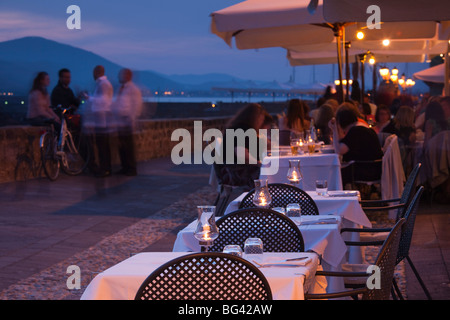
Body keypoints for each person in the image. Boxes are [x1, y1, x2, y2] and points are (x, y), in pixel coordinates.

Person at [329, 106, 383, 187]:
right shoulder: (361, 129)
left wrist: (335, 129)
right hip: (374, 169)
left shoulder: (356, 131)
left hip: (366, 170)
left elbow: (339, 150)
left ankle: (336, 197)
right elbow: (342, 143)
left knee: (333, 173)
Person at [217, 103, 267, 190]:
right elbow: (242, 155)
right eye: (261, 119)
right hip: (236, 173)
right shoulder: (242, 130)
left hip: (229, 171)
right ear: (256, 118)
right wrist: (261, 164)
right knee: (271, 172)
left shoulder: (237, 128)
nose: (261, 122)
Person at [82, 65, 114, 177]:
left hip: (102, 120)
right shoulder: (103, 84)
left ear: (96, 72)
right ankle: (106, 168)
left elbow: (103, 101)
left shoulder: (103, 84)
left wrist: (88, 98)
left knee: (102, 146)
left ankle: (105, 169)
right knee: (103, 145)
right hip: (102, 119)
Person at [111, 68, 142, 176]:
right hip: (120, 120)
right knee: (122, 146)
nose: (119, 77)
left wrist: (131, 119)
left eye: (122, 75)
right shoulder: (121, 88)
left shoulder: (133, 89)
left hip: (127, 120)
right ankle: (124, 167)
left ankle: (131, 168)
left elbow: (137, 105)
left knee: (128, 146)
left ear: (128, 76)